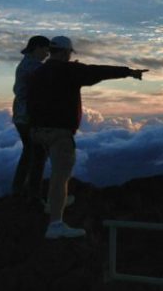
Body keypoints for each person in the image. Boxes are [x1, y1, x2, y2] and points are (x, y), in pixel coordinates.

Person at [28, 36, 148, 239]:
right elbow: (98, 71)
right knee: (60, 176)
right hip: (59, 133)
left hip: (38, 131)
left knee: (55, 172)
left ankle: (54, 202)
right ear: (66, 52)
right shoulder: (69, 71)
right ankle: (55, 224)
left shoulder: (38, 72)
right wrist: (128, 72)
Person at [11, 35, 50, 199]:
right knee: (39, 152)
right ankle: (33, 193)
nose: (47, 53)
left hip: (21, 116)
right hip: (29, 117)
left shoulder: (26, 64)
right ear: (37, 48)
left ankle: (19, 189)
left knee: (29, 152)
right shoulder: (33, 66)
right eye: (45, 49)